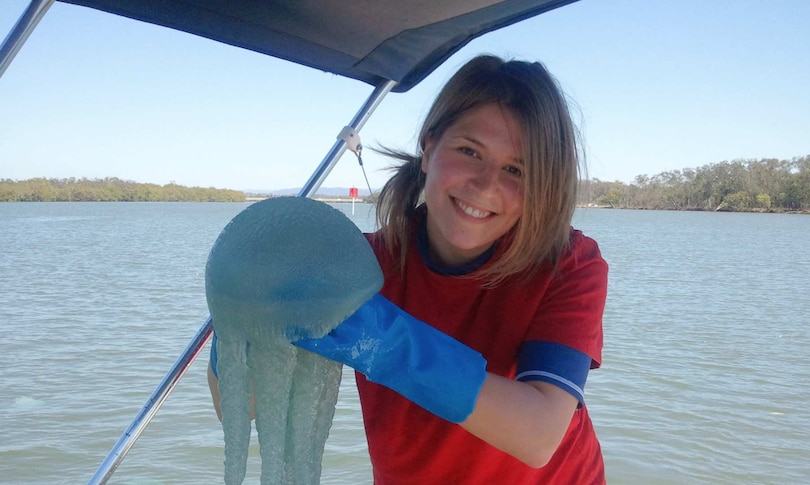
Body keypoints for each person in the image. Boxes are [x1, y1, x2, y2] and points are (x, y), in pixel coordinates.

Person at [209, 54, 608, 484]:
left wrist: (383, 340)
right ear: (429, 147)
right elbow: (239, 404)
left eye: (516, 169)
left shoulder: (568, 263)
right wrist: (245, 315)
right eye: (470, 151)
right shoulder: (355, 266)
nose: (487, 184)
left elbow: (539, 435)